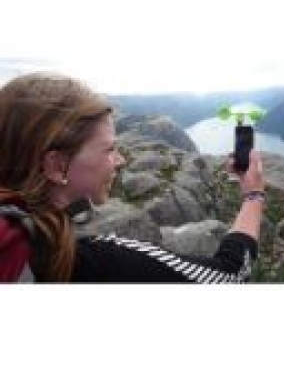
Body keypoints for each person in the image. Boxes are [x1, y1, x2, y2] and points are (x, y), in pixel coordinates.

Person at [0, 73, 265, 283]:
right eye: (109, 149)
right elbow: (229, 276)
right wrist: (253, 194)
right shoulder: (98, 262)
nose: (121, 160)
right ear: (57, 166)